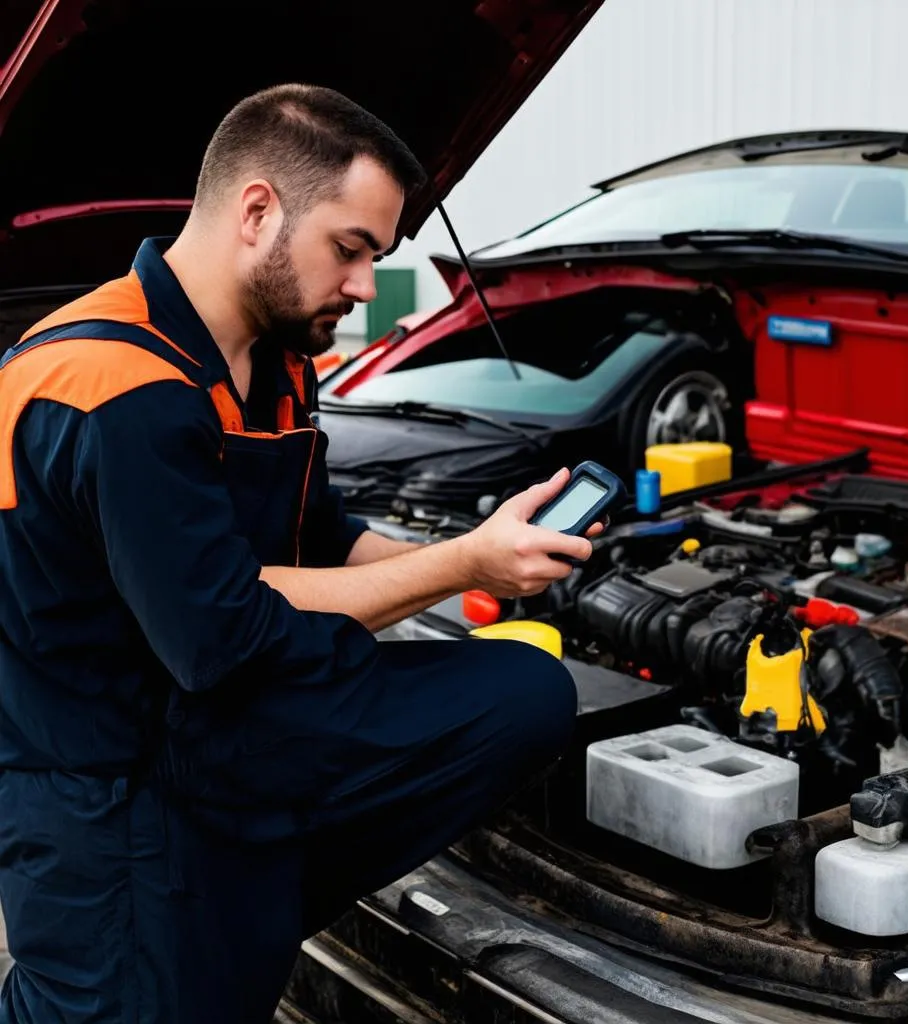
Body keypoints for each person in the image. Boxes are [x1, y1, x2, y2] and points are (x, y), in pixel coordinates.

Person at [0, 83, 599, 1023]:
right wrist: (464, 568)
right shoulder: (113, 387)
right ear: (257, 212)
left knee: (523, 697)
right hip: (108, 810)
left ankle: (258, 883)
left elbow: (324, 539)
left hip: (223, 758)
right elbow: (220, 636)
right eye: (351, 250)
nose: (366, 287)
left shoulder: (275, 364)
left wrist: (471, 548)